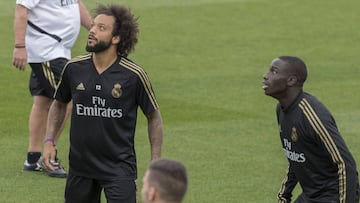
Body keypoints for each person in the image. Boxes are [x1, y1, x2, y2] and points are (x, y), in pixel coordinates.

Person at [42, 4, 163, 202]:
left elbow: (154, 116)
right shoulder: (74, 68)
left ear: (116, 38)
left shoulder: (133, 75)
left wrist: (155, 160)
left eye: (101, 28)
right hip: (80, 168)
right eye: (93, 26)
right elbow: (59, 104)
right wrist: (49, 141)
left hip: (118, 169)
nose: (92, 31)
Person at [262, 56, 360, 203]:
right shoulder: (282, 110)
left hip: (334, 196)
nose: (265, 75)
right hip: (311, 196)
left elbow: (345, 164)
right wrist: (284, 195)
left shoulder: (313, 116)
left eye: (273, 71)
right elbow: (295, 156)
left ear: (291, 81)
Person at [12, 0, 92, 178]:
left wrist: (94, 28)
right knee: (67, 99)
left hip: (59, 49)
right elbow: (21, 9)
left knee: (43, 101)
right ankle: (49, 155)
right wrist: (19, 46)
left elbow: (75, 3)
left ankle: (33, 159)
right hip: (46, 50)